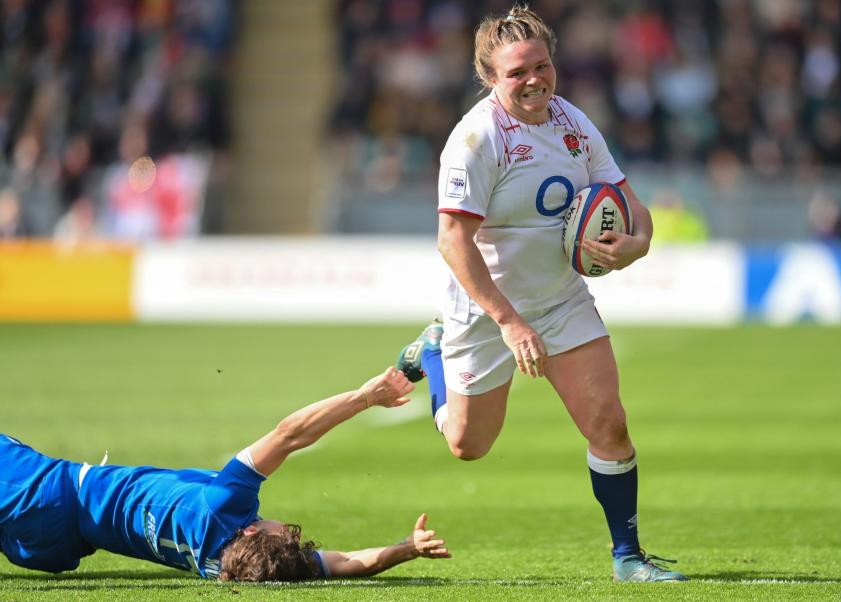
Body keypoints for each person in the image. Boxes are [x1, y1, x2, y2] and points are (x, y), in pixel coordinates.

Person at [396, 5, 687, 583]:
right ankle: (432, 352)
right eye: (517, 72)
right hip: (485, 311)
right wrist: (506, 321)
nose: (534, 80)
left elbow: (631, 203)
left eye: (542, 65)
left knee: (609, 423)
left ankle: (627, 557)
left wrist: (640, 243)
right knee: (467, 445)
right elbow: (452, 240)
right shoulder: (476, 139)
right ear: (490, 77)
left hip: (558, 298)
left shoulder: (573, 123)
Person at [0, 367, 452, 581]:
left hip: (47, 493)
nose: (287, 529)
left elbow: (290, 435)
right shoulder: (225, 567)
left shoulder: (224, 509)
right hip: (53, 549)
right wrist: (404, 549)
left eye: (284, 533)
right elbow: (344, 563)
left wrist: (364, 397)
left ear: (253, 533)